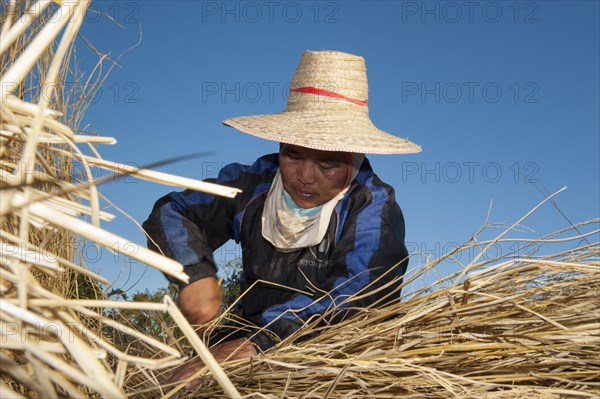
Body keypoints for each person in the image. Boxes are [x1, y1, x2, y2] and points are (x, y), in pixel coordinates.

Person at [142, 50, 421, 389]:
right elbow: (172, 212)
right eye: (293, 154)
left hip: (332, 356)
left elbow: (356, 297)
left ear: (352, 157)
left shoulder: (373, 209)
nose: (304, 176)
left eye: (327, 164)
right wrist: (194, 274)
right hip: (243, 336)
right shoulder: (254, 183)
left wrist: (261, 343)